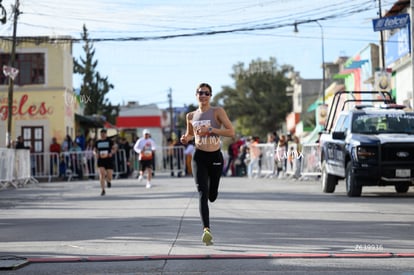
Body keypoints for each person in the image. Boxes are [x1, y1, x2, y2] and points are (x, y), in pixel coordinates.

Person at [180, 82, 235, 246]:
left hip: (215, 156)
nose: (203, 95)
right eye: (200, 92)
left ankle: (213, 190)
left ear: (210, 95)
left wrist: (211, 130)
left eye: (206, 93)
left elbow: (231, 132)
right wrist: (185, 138)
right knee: (202, 193)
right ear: (196, 95)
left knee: (212, 195)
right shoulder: (190, 116)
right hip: (199, 156)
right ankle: (206, 230)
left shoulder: (217, 111)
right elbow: (190, 134)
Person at [94, 129, 115, 196]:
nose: (102, 135)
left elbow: (114, 148)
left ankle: (108, 180)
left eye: (104, 133)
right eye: (101, 133)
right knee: (101, 174)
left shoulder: (110, 141)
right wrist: (95, 154)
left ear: (106, 134)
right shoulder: (97, 141)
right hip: (101, 159)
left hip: (108, 159)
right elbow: (94, 150)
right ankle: (103, 190)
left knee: (110, 176)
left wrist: (111, 153)